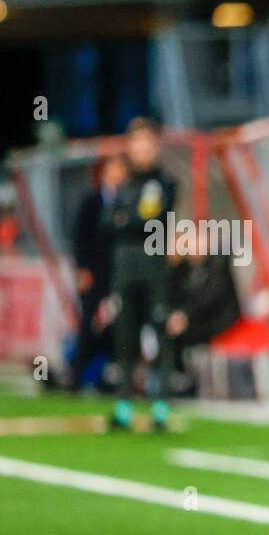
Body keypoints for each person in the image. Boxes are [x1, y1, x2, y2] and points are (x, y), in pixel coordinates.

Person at [105, 118, 178, 430]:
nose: (142, 149)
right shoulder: (123, 184)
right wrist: (126, 219)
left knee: (159, 333)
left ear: (155, 145)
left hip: (153, 268)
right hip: (124, 269)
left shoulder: (164, 183)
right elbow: (106, 222)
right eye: (136, 142)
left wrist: (125, 219)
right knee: (125, 335)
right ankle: (124, 405)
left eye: (147, 142)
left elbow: (151, 220)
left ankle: (160, 406)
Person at [68, 155, 127, 391]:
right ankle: (77, 376)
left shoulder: (128, 201)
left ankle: (112, 377)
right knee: (88, 323)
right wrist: (82, 269)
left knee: (119, 323)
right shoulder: (91, 201)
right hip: (95, 273)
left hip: (119, 274)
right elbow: (80, 237)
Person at [166, 227, 242, 395]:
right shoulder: (186, 268)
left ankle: (183, 380)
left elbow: (210, 297)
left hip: (219, 321)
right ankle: (177, 377)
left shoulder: (218, 262)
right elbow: (174, 295)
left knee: (180, 331)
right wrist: (173, 264)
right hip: (196, 320)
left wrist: (185, 315)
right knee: (168, 327)